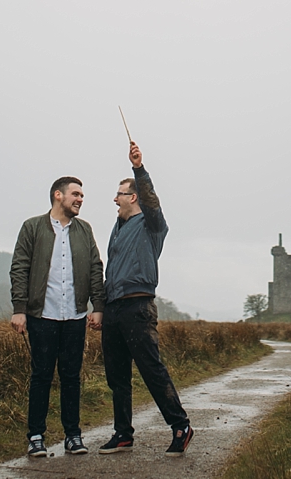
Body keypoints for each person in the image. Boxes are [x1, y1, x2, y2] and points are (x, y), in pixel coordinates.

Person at [98, 141, 193, 456]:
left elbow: (151, 199)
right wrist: (100, 308)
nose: (114, 198)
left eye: (119, 194)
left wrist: (138, 168)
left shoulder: (152, 223)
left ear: (133, 196)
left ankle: (180, 426)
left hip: (138, 307)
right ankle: (123, 434)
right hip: (114, 308)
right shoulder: (118, 228)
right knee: (117, 375)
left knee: (151, 369)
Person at [9, 176, 105, 458]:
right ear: (58, 195)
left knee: (71, 377)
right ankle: (36, 436)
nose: (80, 199)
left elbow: (95, 269)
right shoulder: (32, 227)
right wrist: (19, 309)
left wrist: (97, 305)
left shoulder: (84, 230)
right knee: (40, 376)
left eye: (82, 196)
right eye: (76, 194)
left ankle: (72, 436)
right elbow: (20, 267)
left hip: (75, 316)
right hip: (42, 315)